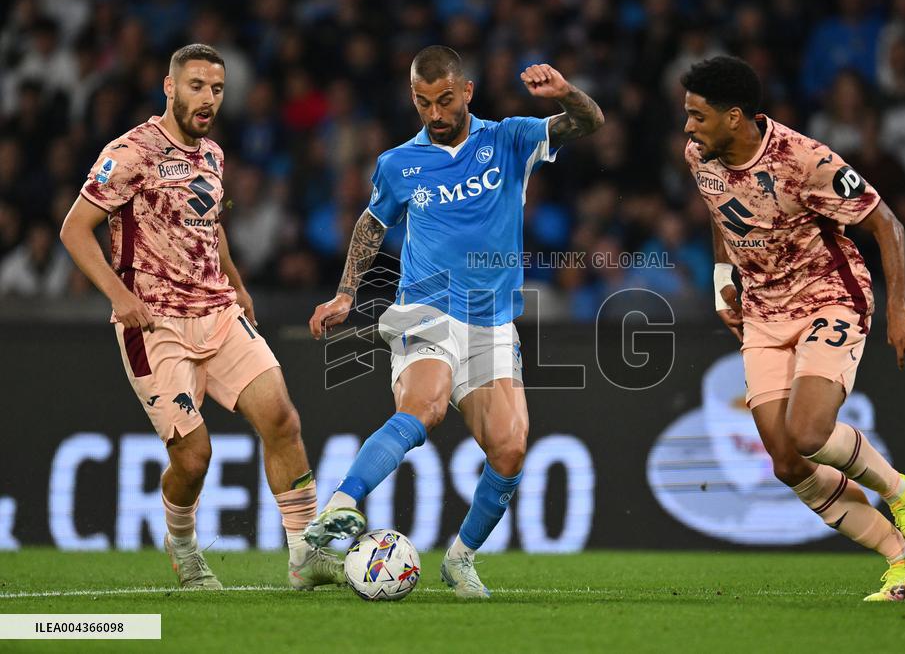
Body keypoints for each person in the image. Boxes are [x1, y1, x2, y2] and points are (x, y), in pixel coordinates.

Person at [304, 45, 603, 598]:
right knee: (426, 405)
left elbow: (589, 122)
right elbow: (371, 226)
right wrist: (345, 294)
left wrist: (565, 94)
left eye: (445, 100)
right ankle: (342, 505)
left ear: (467, 91)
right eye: (423, 103)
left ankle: (460, 559)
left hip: (491, 321)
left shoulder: (510, 139)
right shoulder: (399, 164)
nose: (436, 114)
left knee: (510, 448)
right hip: (426, 306)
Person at [59, 43, 343, 591]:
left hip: (217, 311)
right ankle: (184, 547)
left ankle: (305, 553)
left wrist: (236, 284)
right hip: (155, 325)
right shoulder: (130, 152)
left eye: (216, 88)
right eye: (196, 86)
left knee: (282, 419)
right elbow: (74, 229)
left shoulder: (212, 154)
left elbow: (210, 223)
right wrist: (119, 296)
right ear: (169, 87)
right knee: (194, 458)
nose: (208, 98)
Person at [681, 56, 905, 602]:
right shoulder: (700, 155)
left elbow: (885, 222)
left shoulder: (804, 160)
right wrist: (723, 278)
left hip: (830, 297)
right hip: (762, 312)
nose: (688, 128)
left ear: (734, 117)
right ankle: (902, 558)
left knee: (809, 432)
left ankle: (902, 492)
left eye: (697, 117)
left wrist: (898, 311)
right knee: (787, 461)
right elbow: (718, 209)